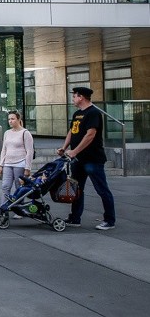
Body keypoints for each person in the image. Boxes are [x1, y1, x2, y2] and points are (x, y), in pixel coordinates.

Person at [58, 87, 116, 230]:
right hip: (78, 160)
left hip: (92, 159)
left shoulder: (93, 113)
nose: (73, 99)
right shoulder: (77, 114)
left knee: (102, 189)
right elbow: (72, 131)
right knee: (76, 189)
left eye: (74, 96)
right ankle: (75, 218)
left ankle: (109, 220)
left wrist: (75, 151)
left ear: (81, 97)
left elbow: (90, 135)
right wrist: (64, 148)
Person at [0, 110, 34, 204]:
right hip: (7, 163)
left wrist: (27, 168)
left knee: (19, 187)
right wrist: (1, 165)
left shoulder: (25, 133)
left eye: (12, 119)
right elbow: (4, 149)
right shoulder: (7, 133)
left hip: (20, 163)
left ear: (18, 119)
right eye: (9, 119)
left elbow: (30, 151)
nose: (10, 121)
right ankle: (3, 209)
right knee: (5, 186)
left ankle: (19, 209)